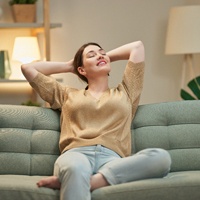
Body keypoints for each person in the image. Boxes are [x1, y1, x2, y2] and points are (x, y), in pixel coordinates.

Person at [21, 41, 171, 200]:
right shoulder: (65, 95)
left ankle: (83, 181)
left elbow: (137, 47)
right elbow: (28, 68)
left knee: (161, 158)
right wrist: (70, 66)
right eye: (91, 55)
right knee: (75, 168)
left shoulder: (127, 92)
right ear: (81, 70)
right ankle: (77, 177)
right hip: (76, 154)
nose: (100, 55)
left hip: (113, 160)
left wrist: (103, 58)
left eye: (102, 52)